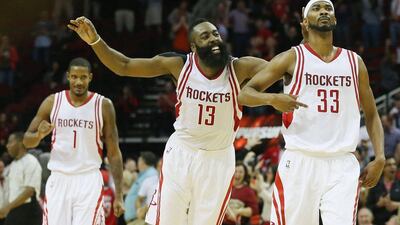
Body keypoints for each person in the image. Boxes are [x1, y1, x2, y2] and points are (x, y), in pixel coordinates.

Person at [67, 16, 305, 225]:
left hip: (218, 157)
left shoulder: (240, 67)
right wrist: (95, 41)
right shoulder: (178, 65)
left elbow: (284, 70)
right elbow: (124, 65)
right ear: (193, 46)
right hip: (182, 152)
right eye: (205, 36)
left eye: (215, 34)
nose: (213, 39)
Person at [238, 0, 385, 224]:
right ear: (305, 22)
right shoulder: (292, 58)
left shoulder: (355, 63)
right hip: (300, 161)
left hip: (342, 164)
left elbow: (372, 114)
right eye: (316, 9)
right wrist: (272, 99)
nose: (324, 11)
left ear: (335, 20)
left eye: (328, 9)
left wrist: (381, 157)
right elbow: (244, 93)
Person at [23, 57, 125, 225]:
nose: (79, 81)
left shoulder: (103, 105)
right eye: (75, 77)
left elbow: (114, 152)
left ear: (90, 77)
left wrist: (119, 195)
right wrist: (39, 136)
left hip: (88, 178)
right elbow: (27, 142)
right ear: (68, 76)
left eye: (83, 77)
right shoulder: (52, 102)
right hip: (59, 178)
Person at [0, 132, 42, 225]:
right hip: (16, 208)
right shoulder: (13, 164)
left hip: (29, 209)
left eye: (10, 142)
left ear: (20, 142)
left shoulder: (31, 161)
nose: (7, 146)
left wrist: (7, 208)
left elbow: (29, 191)